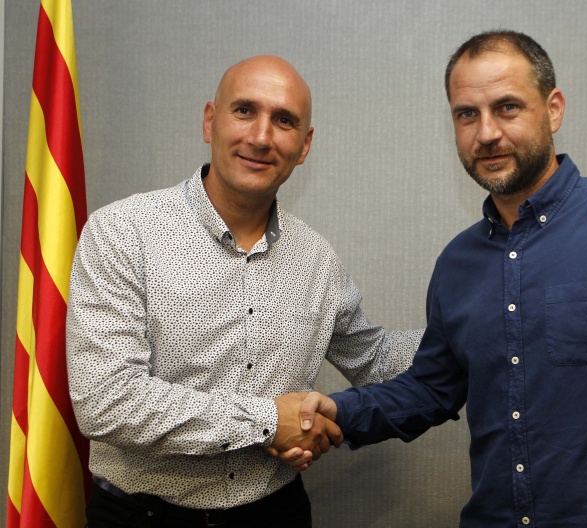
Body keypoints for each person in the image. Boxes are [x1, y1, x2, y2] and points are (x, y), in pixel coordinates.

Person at [288, 31, 587, 527]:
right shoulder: (457, 263)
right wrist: (336, 411)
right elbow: (431, 389)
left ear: (553, 109)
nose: (486, 133)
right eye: (467, 114)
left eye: (507, 107)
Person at [66, 55, 420, 528]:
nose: (261, 136)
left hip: (275, 513)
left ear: (304, 145)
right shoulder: (122, 232)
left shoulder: (317, 259)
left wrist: (479, 321)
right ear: (210, 121)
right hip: (142, 516)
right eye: (244, 111)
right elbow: (107, 402)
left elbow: (374, 359)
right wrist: (268, 422)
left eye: (284, 120)